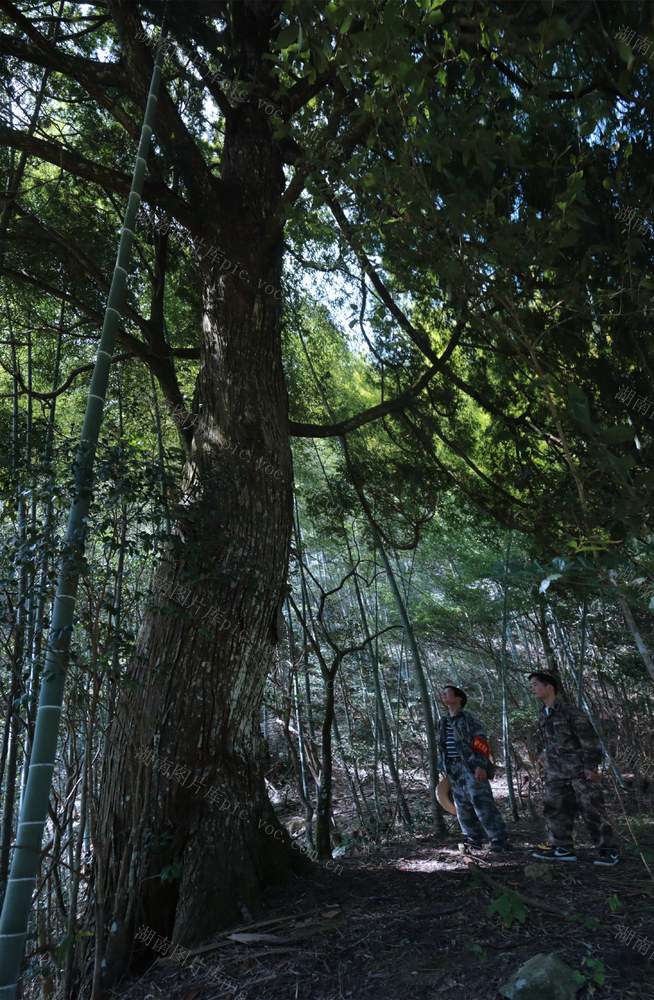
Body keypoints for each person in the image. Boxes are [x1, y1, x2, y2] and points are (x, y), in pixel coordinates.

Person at [528, 672, 618, 866]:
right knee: (555, 809)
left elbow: (589, 739)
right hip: (555, 772)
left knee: (592, 808)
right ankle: (562, 848)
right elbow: (547, 741)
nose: (532, 688)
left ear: (549, 687)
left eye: (536, 684)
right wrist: (544, 756)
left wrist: (591, 766)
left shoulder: (570, 711)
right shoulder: (541, 714)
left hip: (579, 770)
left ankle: (607, 851)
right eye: (531, 686)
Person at [438, 685, 512, 852]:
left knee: (482, 802)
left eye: (448, 693)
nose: (443, 695)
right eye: (443, 693)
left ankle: (499, 839)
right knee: (461, 805)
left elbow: (481, 742)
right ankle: (472, 839)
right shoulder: (443, 721)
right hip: (453, 768)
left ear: (459, 698)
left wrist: (480, 765)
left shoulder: (469, 719)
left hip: (470, 766)